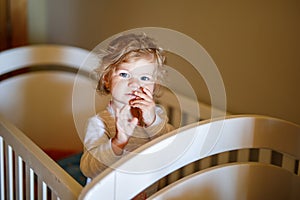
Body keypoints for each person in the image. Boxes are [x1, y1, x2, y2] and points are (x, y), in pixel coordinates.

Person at [80, 33, 174, 197]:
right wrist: (119, 142)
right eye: (124, 74)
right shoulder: (99, 123)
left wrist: (152, 123)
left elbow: (173, 149)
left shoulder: (156, 116)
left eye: (144, 77)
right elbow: (88, 168)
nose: (134, 84)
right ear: (107, 79)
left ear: (154, 86)